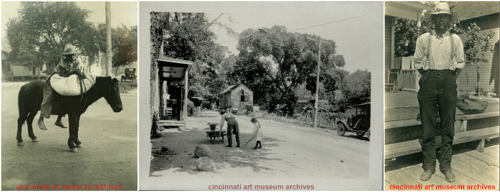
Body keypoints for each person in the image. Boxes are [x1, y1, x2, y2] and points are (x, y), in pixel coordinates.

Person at [414, 2, 464, 182]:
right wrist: (429, 77)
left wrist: (449, 79)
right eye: (438, 16)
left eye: (445, 16)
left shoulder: (455, 40)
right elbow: (418, 63)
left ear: (449, 20)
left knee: (447, 126)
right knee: (427, 126)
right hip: (428, 81)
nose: (442, 20)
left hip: (448, 81)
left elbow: (459, 64)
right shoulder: (423, 39)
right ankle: (428, 166)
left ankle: (446, 165)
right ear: (433, 19)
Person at [37, 44, 83, 130]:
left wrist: (80, 74)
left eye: (73, 55)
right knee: (48, 96)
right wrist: (73, 72)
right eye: (70, 55)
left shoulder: (76, 62)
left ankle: (59, 119)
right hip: (56, 80)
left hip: (66, 82)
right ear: (66, 56)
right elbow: (61, 75)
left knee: (66, 98)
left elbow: (78, 71)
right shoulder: (62, 63)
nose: (72, 57)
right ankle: (41, 119)